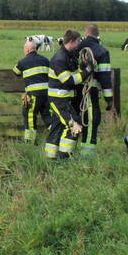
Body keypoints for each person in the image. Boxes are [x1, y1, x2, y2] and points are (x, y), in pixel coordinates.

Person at [73, 23, 114, 158]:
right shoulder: (102, 51)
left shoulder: (74, 48)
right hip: (90, 92)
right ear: (98, 35)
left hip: (72, 91)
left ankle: (67, 152)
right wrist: (109, 100)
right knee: (91, 121)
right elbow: (105, 77)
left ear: (85, 34)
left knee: (73, 119)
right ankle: (86, 156)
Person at [44, 30, 84, 160]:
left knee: (57, 127)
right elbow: (69, 81)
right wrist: (87, 72)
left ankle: (50, 159)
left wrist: (83, 68)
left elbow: (74, 74)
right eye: (78, 41)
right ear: (72, 42)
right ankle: (64, 158)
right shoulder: (59, 59)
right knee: (74, 125)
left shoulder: (69, 56)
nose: (79, 44)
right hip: (59, 100)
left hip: (63, 98)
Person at [12, 39, 51, 142]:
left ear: (28, 50)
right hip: (47, 94)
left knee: (29, 115)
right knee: (47, 115)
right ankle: (56, 134)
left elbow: (16, 72)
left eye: (24, 49)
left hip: (33, 94)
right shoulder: (45, 60)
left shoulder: (22, 61)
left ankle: (29, 141)